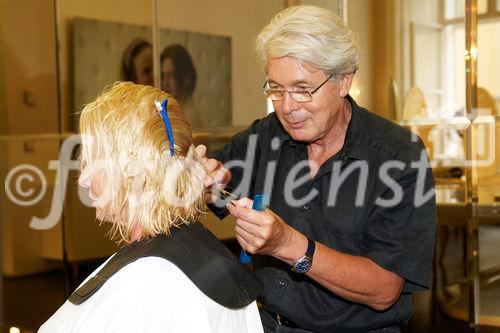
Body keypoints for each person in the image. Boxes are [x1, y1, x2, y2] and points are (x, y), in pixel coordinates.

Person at [196, 5, 436, 333]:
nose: (288, 107)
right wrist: (205, 180)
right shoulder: (267, 135)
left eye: (302, 89)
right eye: (276, 89)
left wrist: (286, 244)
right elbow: (215, 185)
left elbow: (384, 289)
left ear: (343, 81)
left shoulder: (397, 156)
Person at [39, 82, 263, 333]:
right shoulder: (183, 260)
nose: (83, 179)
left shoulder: (146, 282)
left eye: (94, 161)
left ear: (134, 169)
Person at [161, 44, 202, 128]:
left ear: (186, 77)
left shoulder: (190, 118)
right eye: (163, 75)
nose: (165, 82)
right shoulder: (169, 113)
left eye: (171, 75)